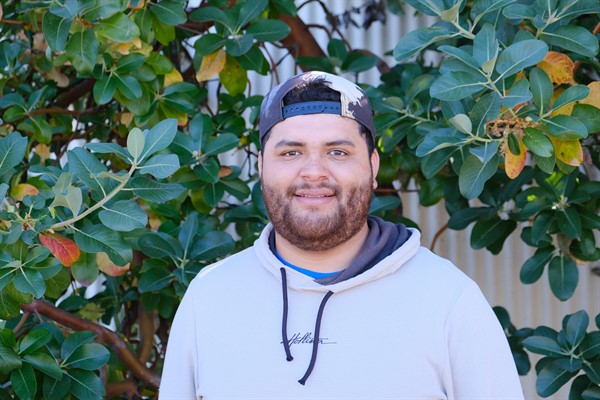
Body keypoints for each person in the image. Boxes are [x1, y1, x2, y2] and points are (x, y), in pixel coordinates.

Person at [159, 71, 524, 399]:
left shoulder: (448, 300)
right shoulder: (208, 298)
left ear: (372, 166)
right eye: (291, 152)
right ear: (260, 167)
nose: (313, 172)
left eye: (337, 151)